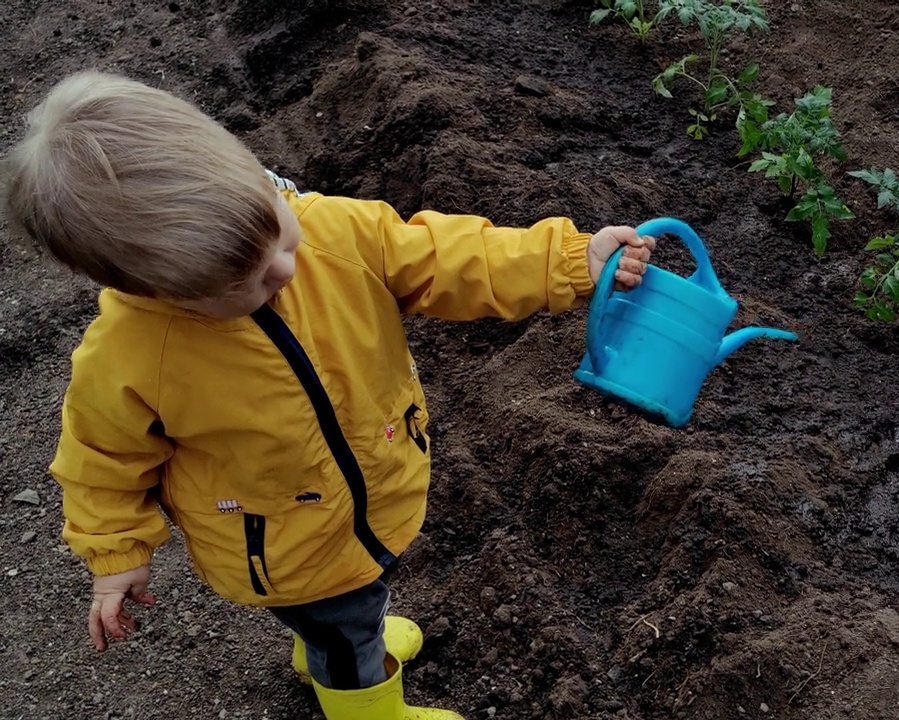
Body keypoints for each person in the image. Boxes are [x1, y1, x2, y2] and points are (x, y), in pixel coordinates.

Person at [2, 70, 655, 720]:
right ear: (151, 288)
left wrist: (569, 262)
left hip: (370, 488)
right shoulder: (130, 355)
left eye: (277, 232)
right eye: (250, 281)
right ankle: (364, 706)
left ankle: (326, 645)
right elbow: (99, 463)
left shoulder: (332, 232)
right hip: (285, 548)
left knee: (348, 611)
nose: (285, 268)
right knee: (346, 631)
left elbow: (448, 257)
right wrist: (116, 555)